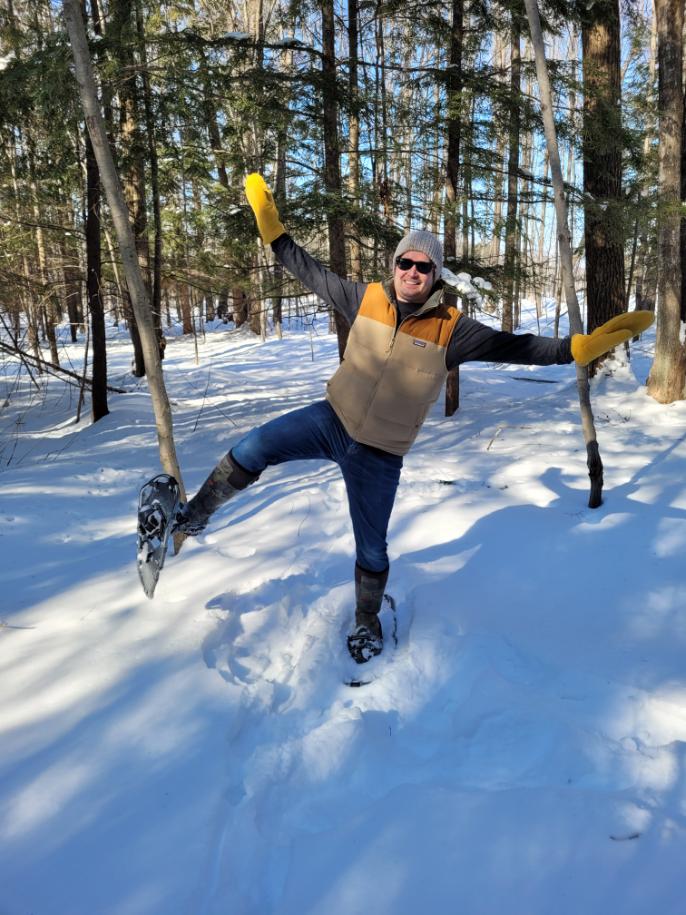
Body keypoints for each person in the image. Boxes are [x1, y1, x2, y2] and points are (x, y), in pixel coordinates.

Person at [176, 173, 653, 664]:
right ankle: (191, 518)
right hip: (331, 420)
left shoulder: (454, 329)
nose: (412, 271)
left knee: (373, 549)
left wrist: (578, 348)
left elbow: (520, 347)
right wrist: (273, 231)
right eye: (405, 262)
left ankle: (366, 618)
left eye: (423, 266)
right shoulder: (363, 299)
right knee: (253, 448)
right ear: (395, 265)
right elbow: (308, 270)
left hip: (380, 454)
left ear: (435, 275)